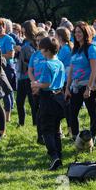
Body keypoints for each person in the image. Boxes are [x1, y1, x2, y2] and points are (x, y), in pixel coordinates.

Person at [31, 37, 66, 171]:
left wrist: (36, 84)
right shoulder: (60, 63)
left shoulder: (47, 64)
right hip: (59, 97)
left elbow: (46, 83)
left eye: (42, 49)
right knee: (56, 129)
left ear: (47, 50)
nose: (40, 52)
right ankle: (59, 155)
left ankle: (54, 156)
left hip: (48, 98)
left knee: (46, 129)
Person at [65, 22, 96, 142]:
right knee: (72, 113)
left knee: (92, 113)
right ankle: (76, 137)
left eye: (80, 32)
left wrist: (89, 88)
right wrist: (67, 88)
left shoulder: (91, 48)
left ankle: (92, 139)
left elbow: (95, 69)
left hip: (87, 86)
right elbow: (71, 70)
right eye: (76, 32)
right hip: (75, 86)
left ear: (86, 33)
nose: (77, 34)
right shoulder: (75, 49)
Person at [0, 18, 16, 122]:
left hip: (7, 68)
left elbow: (11, 55)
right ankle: (0, 114)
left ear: (5, 28)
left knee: (6, 92)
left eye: (0, 27)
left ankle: (7, 117)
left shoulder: (8, 39)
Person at [16, 21, 38, 128]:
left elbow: (33, 59)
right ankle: (21, 122)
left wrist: (23, 51)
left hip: (30, 75)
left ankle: (35, 122)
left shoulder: (35, 41)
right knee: (19, 101)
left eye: (23, 28)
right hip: (21, 75)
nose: (22, 31)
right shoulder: (24, 41)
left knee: (32, 101)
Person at [28, 30, 48, 144]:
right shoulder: (35, 55)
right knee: (38, 112)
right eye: (37, 41)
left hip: (47, 86)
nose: (39, 43)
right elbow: (30, 70)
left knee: (46, 112)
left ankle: (51, 133)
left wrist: (40, 84)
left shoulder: (50, 53)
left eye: (41, 40)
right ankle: (40, 136)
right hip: (36, 87)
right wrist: (34, 83)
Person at [56, 27, 74, 135]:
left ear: (59, 37)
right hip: (65, 80)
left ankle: (71, 130)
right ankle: (69, 129)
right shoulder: (65, 48)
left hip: (66, 81)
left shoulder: (65, 50)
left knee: (66, 107)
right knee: (66, 107)